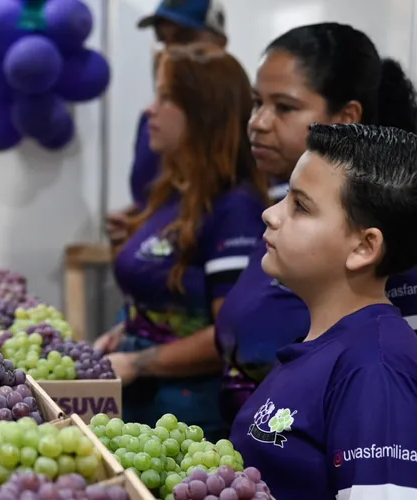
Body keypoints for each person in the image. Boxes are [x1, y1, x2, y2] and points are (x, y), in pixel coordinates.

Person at [215, 23, 417, 425]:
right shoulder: (277, 209)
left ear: (346, 117)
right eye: (257, 102)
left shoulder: (387, 250)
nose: (257, 122)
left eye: (284, 107)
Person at [228, 123, 417, 500]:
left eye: (300, 206)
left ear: (364, 247)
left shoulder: (375, 369)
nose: (270, 214)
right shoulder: (325, 347)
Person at [94, 43, 268, 441]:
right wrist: (129, 329)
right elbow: (166, 298)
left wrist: (140, 362)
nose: (150, 111)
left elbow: (231, 335)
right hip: (145, 407)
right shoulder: (173, 192)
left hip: (187, 420)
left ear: (205, 114)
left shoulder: (234, 208)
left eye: (167, 98)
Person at [106, 0, 227, 247]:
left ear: (220, 43)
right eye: (163, 40)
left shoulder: (246, 124)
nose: (170, 51)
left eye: (185, 38)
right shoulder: (152, 121)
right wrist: (138, 219)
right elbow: (156, 199)